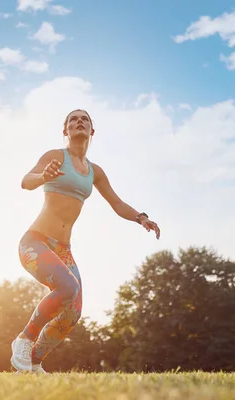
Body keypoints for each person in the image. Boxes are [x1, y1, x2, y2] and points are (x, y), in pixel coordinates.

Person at [10, 109, 161, 373]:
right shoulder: (55, 157)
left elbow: (116, 203)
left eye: (85, 119)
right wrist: (43, 176)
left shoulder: (95, 171)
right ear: (65, 130)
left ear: (92, 131)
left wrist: (141, 218)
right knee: (68, 287)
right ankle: (24, 339)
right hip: (36, 243)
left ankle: (34, 362)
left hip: (63, 250)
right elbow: (25, 181)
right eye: (72, 119)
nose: (78, 121)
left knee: (73, 312)